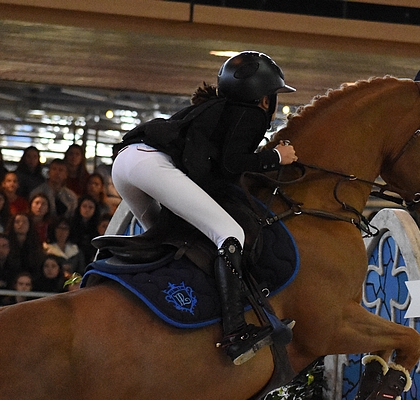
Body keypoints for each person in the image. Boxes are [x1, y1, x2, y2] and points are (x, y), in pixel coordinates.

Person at [111, 51, 296, 364]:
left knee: (170, 238)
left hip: (126, 164)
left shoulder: (218, 108)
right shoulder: (249, 114)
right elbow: (231, 164)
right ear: (265, 99)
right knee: (230, 234)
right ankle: (236, 333)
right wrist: (277, 157)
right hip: (151, 166)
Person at [69, 196, 101, 265]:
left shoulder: (98, 226)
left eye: (90, 207)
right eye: (84, 206)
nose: (87, 209)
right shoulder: (71, 224)